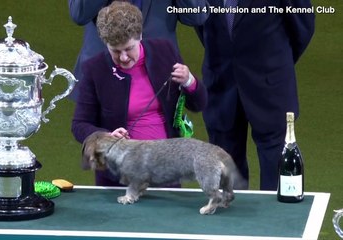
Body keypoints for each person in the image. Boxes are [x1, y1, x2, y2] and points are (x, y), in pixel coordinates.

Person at [71, 1, 208, 186]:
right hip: (117, 177)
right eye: (115, 51)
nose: (124, 58)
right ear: (105, 44)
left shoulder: (164, 53)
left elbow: (198, 103)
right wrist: (104, 135)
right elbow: (79, 125)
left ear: (140, 36)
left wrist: (190, 81)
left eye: (128, 49)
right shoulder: (95, 69)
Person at [195, 0, 315, 190]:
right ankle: (231, 218)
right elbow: (199, 20)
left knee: (276, 169)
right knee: (225, 175)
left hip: (271, 86)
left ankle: (274, 219)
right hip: (221, 83)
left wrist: (277, 61)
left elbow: (303, 23)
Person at [67, 0, 208, 100]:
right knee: (105, 142)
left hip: (158, 80)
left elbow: (197, 16)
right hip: (104, 77)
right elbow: (80, 14)